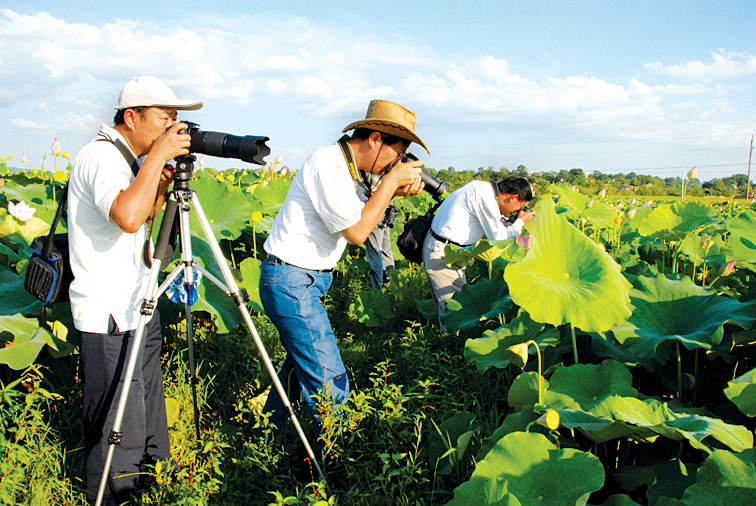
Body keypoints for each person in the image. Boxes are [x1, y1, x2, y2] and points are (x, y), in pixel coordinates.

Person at [259, 100, 428, 451]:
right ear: (375, 139)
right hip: (292, 281)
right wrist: (392, 180)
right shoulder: (328, 165)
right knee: (328, 378)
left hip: (303, 280)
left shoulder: (349, 171)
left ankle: (267, 440)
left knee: (297, 368)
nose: (396, 164)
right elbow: (357, 232)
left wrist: (393, 185)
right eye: (397, 155)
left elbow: (363, 209)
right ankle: (338, 461)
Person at [67, 76, 202, 505]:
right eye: (164, 119)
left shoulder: (128, 159)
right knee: (115, 418)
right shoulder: (101, 156)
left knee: (146, 406)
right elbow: (126, 216)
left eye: (175, 122)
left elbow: (142, 217)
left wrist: (159, 180)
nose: (171, 130)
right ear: (132, 116)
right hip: (107, 308)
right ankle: (115, 495)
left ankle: (153, 478)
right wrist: (157, 157)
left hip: (137, 301)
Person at [423, 177, 536, 333]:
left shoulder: (482, 189)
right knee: (456, 314)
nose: (518, 211)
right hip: (443, 253)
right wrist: (520, 222)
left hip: (444, 249)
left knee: (447, 309)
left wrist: (512, 221)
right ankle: (451, 350)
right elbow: (499, 238)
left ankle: (446, 345)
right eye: (520, 206)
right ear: (513, 197)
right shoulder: (485, 198)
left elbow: (496, 225)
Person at [364, 170, 397, 290]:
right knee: (385, 249)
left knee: (375, 250)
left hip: (377, 210)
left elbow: (371, 193)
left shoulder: (376, 171)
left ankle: (376, 288)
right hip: (389, 211)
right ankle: (391, 285)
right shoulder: (390, 171)